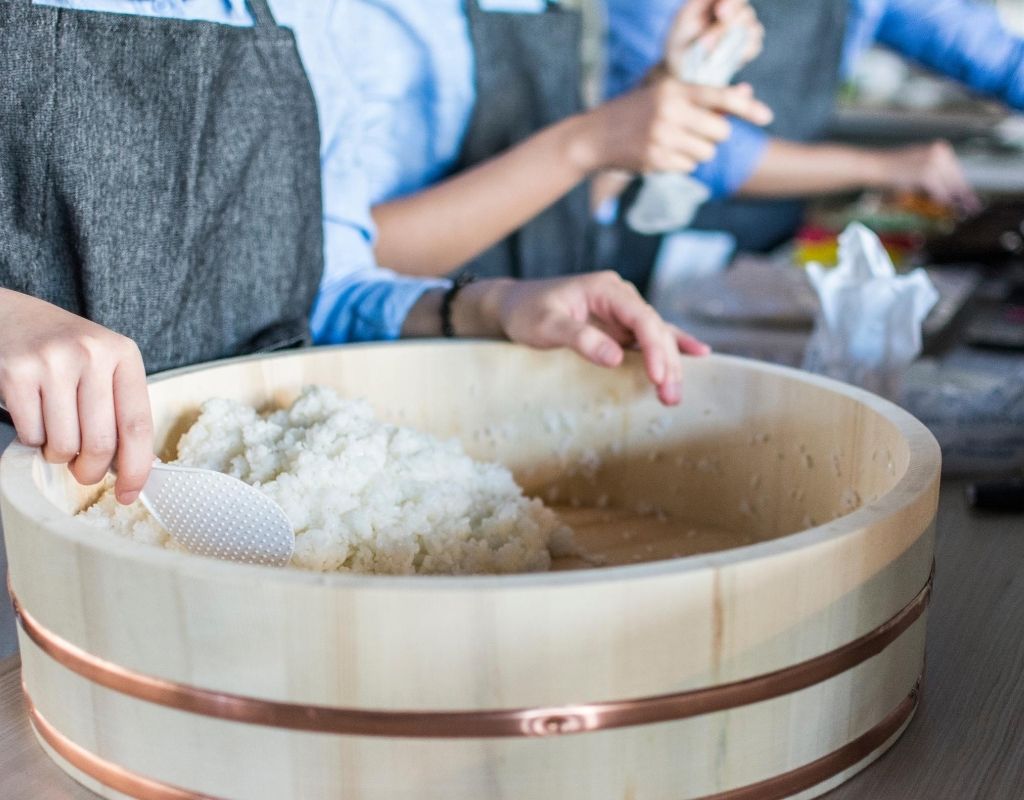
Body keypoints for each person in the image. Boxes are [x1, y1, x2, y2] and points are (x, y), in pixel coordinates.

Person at [0, 0, 719, 516]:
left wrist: (487, 303)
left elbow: (323, 280)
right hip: (32, 519)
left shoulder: (305, 22)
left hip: (218, 516)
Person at [323, 0, 771, 284]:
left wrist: (663, 90)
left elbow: (564, 205)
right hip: (405, 362)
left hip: (541, 337)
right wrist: (587, 142)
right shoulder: (356, 20)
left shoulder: (546, 7)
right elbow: (338, 259)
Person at [609, 0, 1024, 256]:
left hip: (776, 228)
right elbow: (693, 146)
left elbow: (996, 56)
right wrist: (880, 167)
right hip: (658, 235)